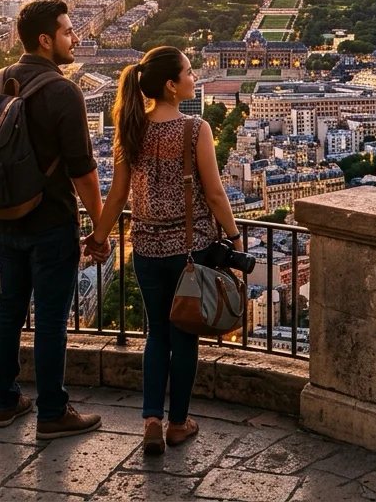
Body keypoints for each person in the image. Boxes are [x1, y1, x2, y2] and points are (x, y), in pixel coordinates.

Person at [83, 46, 242, 455]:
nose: (194, 78)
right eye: (189, 72)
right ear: (171, 86)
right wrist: (235, 236)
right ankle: (177, 422)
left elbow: (117, 196)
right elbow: (215, 193)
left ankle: (151, 419)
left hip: (147, 249)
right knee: (185, 337)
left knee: (156, 334)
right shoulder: (195, 129)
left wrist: (99, 239)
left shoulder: (131, 128)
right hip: (191, 251)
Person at [0, 0, 104, 440]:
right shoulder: (63, 91)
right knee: (52, 321)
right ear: (45, 40)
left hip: (7, 216)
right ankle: (53, 411)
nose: (75, 38)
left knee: (9, 311)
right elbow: (83, 170)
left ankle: (4, 401)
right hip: (52, 222)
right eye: (69, 32)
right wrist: (100, 226)